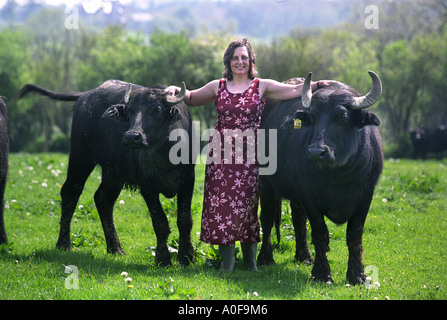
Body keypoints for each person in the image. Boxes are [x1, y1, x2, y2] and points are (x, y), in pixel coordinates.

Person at [165, 38, 333, 272]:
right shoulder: (218, 86)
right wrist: (176, 90)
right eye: (235, 58)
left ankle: (251, 264)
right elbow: (192, 98)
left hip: (250, 154)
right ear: (228, 61)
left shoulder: (261, 86)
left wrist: (319, 84)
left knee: (247, 207)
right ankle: (228, 262)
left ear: (251, 60)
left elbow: (294, 90)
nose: (240, 62)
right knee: (222, 208)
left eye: (244, 57)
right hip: (221, 155)